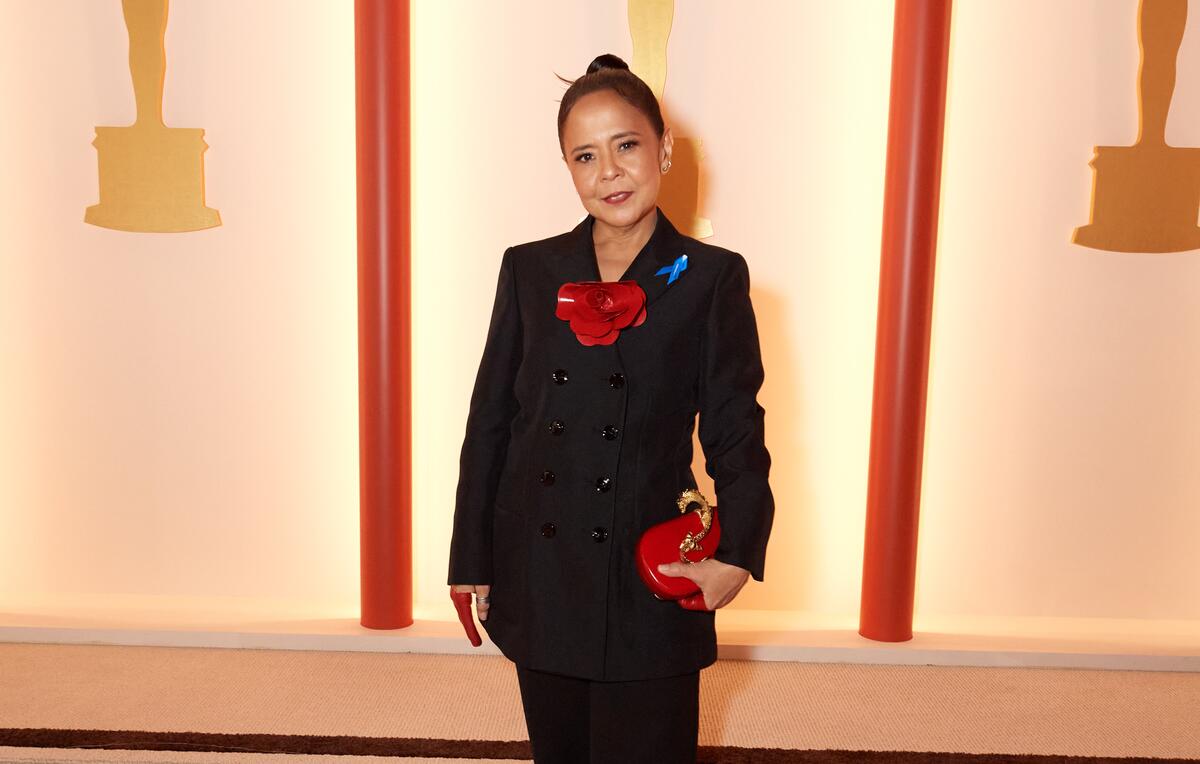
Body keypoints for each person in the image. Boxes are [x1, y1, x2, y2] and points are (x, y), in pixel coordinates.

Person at [448, 53, 774, 764]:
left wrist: (738, 551)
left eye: (626, 146)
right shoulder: (529, 269)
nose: (609, 172)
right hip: (542, 566)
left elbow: (733, 427)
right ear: (567, 168)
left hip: (647, 576)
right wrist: (470, 553)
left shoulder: (712, 278)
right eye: (585, 156)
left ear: (663, 147)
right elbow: (491, 422)